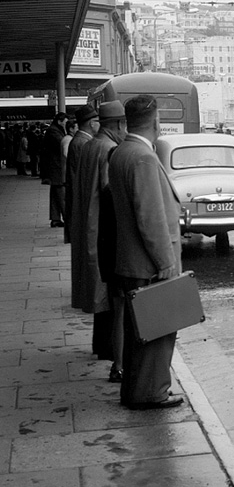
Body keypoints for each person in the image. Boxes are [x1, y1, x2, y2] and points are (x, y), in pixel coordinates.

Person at [108, 95, 183, 410]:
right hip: (148, 264)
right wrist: (166, 262)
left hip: (132, 260)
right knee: (158, 332)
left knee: (138, 333)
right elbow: (150, 217)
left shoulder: (122, 152)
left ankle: (135, 391)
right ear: (155, 121)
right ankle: (151, 392)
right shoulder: (143, 157)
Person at [73, 101, 126, 380]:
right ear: (116, 125)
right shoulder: (107, 149)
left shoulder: (90, 144)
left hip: (89, 225)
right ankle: (110, 352)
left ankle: (101, 346)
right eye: (124, 125)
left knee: (101, 294)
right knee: (109, 296)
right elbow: (109, 194)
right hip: (102, 229)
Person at [64, 105, 100, 242]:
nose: (99, 125)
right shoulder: (83, 143)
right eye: (97, 121)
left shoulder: (80, 140)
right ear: (91, 123)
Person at [40, 112, 68, 227]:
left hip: (54, 166)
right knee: (61, 193)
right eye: (65, 122)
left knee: (56, 194)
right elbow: (61, 144)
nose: (66, 124)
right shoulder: (53, 131)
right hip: (56, 166)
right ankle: (67, 217)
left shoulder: (54, 130)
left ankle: (55, 218)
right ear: (60, 121)